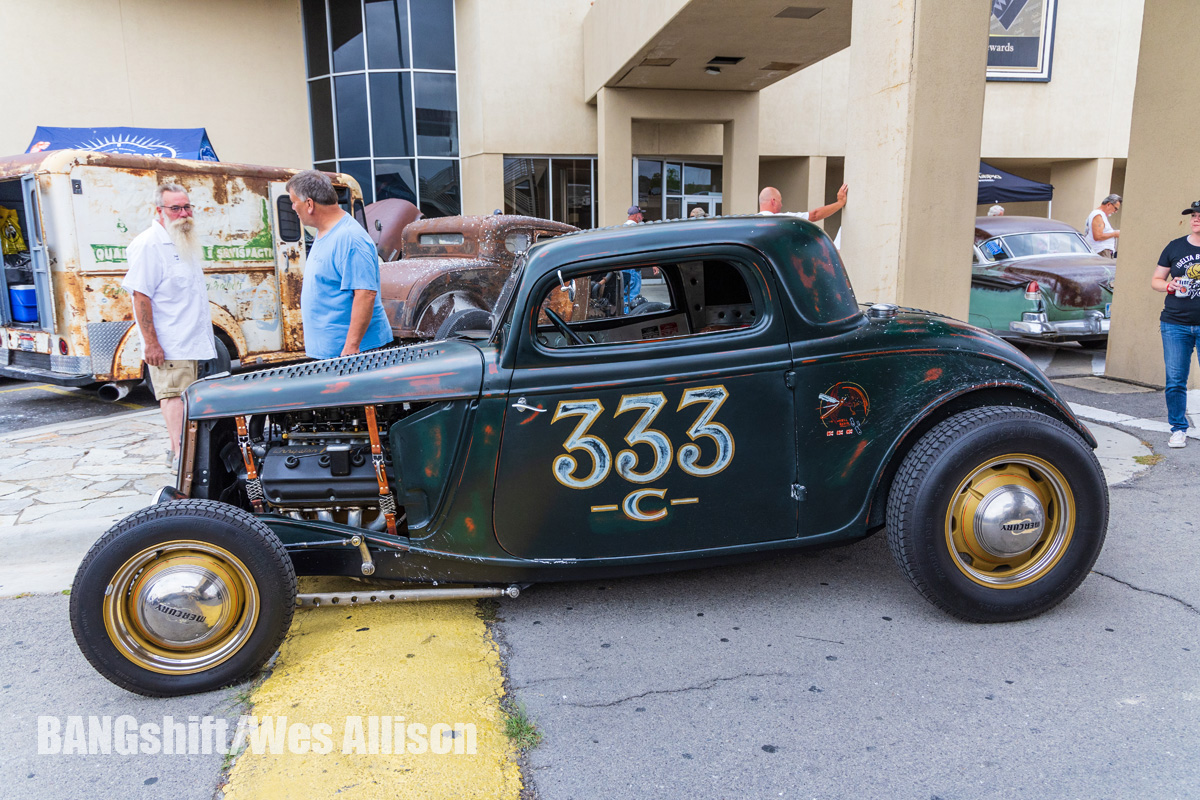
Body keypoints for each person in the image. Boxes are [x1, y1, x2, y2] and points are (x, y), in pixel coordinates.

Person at [122, 184, 216, 471]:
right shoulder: (149, 244)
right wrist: (151, 343)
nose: (184, 213)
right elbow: (140, 295)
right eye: (175, 208)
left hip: (190, 340)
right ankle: (180, 459)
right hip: (170, 341)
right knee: (173, 397)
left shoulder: (181, 240)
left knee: (186, 398)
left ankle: (180, 450)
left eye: (187, 207)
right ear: (159, 211)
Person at [287, 170, 392, 359]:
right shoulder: (324, 233)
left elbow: (365, 294)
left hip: (353, 355)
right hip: (331, 353)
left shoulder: (350, 238)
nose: (293, 208)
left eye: (294, 202)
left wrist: (351, 347)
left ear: (309, 204)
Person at [1151, 199, 1200, 448]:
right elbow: (1156, 280)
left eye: (1199, 214)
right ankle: (1178, 429)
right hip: (1175, 324)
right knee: (1175, 380)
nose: (1195, 218)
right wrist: (1168, 285)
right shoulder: (1175, 246)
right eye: (1193, 215)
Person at [758, 184, 849, 221]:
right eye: (780, 201)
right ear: (773, 201)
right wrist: (840, 203)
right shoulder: (781, 220)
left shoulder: (749, 221)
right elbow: (814, 215)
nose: (781, 205)